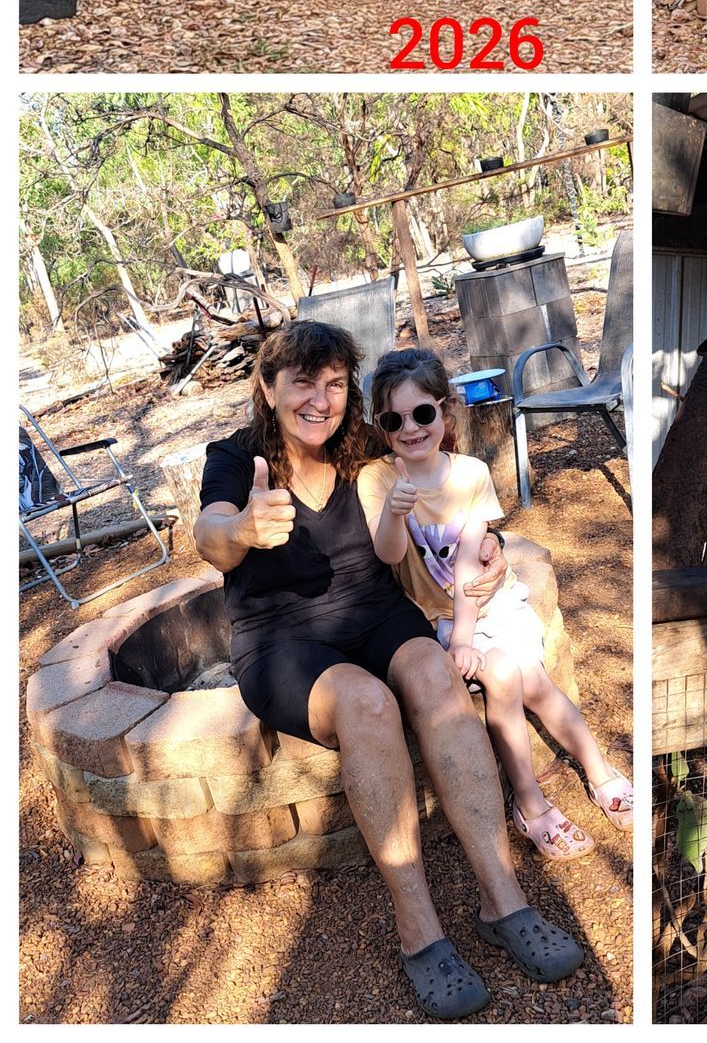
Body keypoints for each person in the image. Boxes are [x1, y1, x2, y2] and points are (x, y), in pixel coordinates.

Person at [193, 321, 583, 1019]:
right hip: (280, 640)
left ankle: (503, 899)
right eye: (303, 382)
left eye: (335, 383)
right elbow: (209, 535)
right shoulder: (235, 458)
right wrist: (245, 529)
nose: (320, 399)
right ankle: (419, 928)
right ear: (267, 386)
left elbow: (441, 482)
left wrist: (487, 546)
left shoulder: (362, 449)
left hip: (376, 613)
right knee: (368, 703)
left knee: (436, 678)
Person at [361, 348, 634, 862]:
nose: (410, 428)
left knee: (531, 679)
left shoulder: (468, 473)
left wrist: (466, 635)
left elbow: (469, 553)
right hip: (438, 617)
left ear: (445, 412)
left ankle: (599, 773)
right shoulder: (377, 479)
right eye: (394, 419)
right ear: (382, 425)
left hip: (490, 608)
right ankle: (530, 802)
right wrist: (395, 512)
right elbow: (390, 556)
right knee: (508, 675)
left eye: (422, 413)